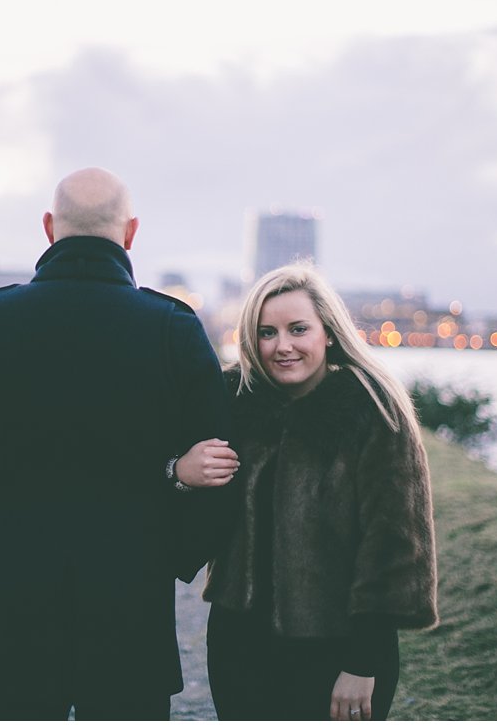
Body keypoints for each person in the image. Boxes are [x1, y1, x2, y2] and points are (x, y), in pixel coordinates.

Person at [0, 167, 235, 721]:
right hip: (132, 610)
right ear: (130, 233)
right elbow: (223, 469)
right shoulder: (173, 329)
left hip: (16, 604)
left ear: (48, 228)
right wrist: (171, 557)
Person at [178, 262, 438, 721]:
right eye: (267, 333)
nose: (283, 346)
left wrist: (363, 661)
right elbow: (176, 489)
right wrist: (178, 469)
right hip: (239, 642)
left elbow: (395, 547)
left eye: (298, 329)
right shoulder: (233, 401)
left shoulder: (372, 410)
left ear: (329, 332)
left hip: (336, 647)